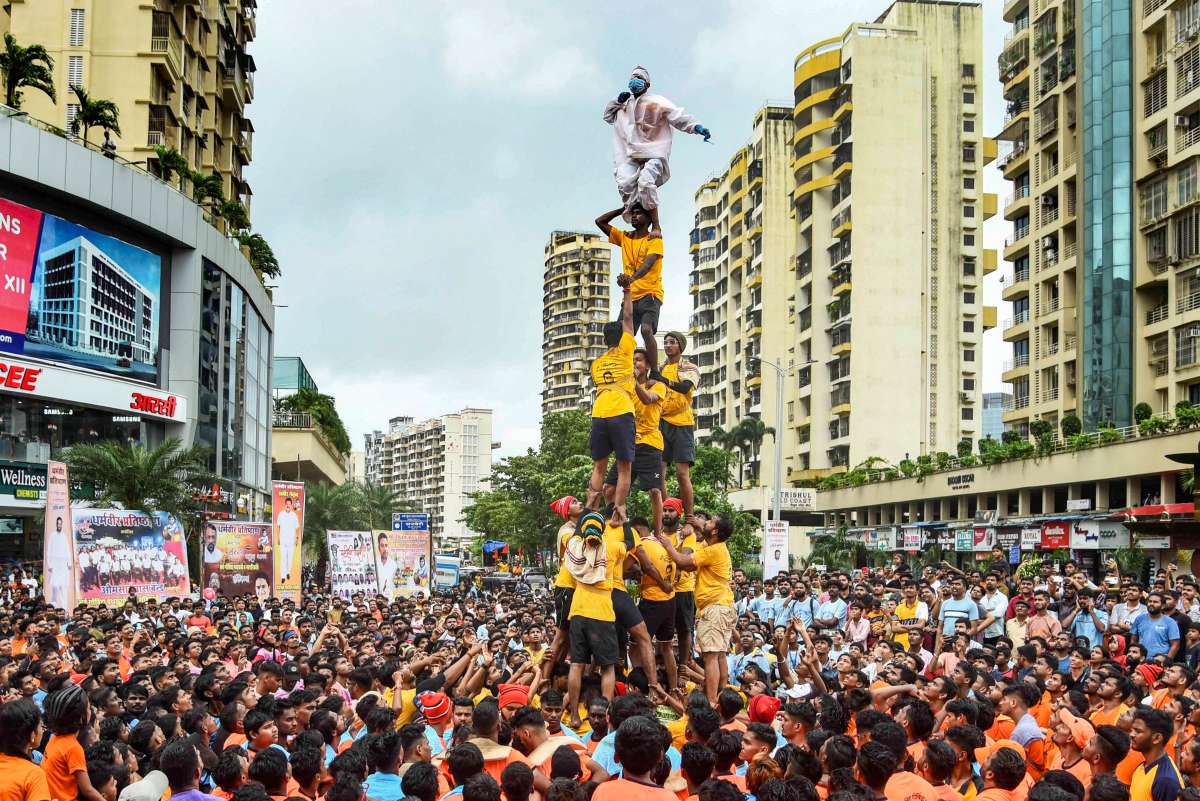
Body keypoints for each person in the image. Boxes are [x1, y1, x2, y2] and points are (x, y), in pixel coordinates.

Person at [602, 65, 710, 236]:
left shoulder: (656, 102)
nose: (635, 81)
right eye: (633, 77)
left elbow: (677, 116)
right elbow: (607, 116)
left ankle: (656, 226)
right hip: (631, 153)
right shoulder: (623, 104)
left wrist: (696, 127)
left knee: (645, 182)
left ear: (647, 84)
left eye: (640, 78)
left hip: (654, 151)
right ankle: (638, 227)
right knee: (625, 184)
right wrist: (617, 100)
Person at [657, 514, 736, 703]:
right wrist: (697, 527)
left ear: (715, 530)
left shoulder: (714, 550)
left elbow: (684, 563)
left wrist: (667, 545)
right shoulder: (714, 546)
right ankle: (721, 695)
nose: (704, 523)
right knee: (719, 655)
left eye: (708, 522)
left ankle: (711, 702)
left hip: (715, 607)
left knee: (710, 657)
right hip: (722, 606)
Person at [586, 284, 636, 523]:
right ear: (622, 337)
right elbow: (628, 316)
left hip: (599, 412)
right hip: (621, 410)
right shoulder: (626, 351)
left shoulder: (596, 363)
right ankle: (618, 511)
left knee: (599, 466)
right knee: (625, 467)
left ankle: (589, 509)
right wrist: (627, 290)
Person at [595, 205, 663, 372]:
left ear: (649, 219)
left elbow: (648, 263)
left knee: (647, 331)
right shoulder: (625, 237)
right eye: (633, 214)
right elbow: (600, 221)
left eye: (639, 214)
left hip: (650, 294)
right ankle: (621, 368)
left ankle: (654, 371)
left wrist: (631, 279)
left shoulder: (654, 239)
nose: (634, 216)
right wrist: (623, 209)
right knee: (618, 335)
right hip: (630, 297)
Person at [654, 332, 700, 516]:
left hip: (682, 424)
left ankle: (689, 516)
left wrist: (663, 380)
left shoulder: (689, 367)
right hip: (662, 423)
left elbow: (685, 387)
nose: (667, 345)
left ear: (680, 346)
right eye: (665, 342)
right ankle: (665, 511)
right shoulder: (660, 367)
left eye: (672, 342)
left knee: (682, 474)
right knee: (659, 472)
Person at [1129, 708, 1183, 801]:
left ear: (1157, 738)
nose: (1131, 734)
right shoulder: (1142, 767)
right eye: (1132, 730)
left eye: (1138, 731)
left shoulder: (1166, 780)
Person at [45, 515, 72, 609]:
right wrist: (50, 564)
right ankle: (54, 607)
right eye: (58, 524)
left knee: (63, 587)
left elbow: (67, 550)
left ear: (62, 524)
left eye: (61, 524)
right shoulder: (52, 535)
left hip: (64, 565)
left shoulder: (64, 535)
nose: (59, 525)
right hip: (55, 564)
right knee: (55, 586)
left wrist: (69, 563)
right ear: (56, 524)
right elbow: (48, 550)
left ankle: (65, 609)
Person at [276, 498, 301, 584]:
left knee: (290, 558)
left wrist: (297, 539)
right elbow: (278, 527)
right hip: (283, 539)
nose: (288, 505)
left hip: (291, 540)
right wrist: (278, 538)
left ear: (291, 505)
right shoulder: (281, 514)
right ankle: (282, 576)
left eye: (289, 504)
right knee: (283, 558)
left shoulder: (294, 515)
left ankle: (288, 572)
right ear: (285, 504)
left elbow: (297, 528)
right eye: (286, 503)